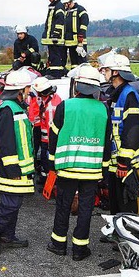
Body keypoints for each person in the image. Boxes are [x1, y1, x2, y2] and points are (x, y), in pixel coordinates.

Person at [46, 65, 111, 261]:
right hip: (92, 170)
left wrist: (51, 164)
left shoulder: (65, 106)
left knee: (64, 205)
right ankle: (80, 248)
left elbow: (53, 137)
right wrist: (105, 171)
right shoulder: (103, 109)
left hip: (67, 168)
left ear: (77, 86)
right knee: (85, 208)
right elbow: (107, 142)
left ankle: (58, 244)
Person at [0, 69, 34, 254]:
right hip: (10, 168)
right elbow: (6, 143)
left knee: (15, 202)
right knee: (11, 203)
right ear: (19, 90)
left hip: (17, 167)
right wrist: (14, 171)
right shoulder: (8, 110)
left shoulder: (16, 108)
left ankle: (7, 236)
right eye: (27, 88)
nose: (29, 92)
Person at [100, 54, 139, 214]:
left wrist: (124, 162)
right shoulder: (117, 94)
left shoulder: (128, 95)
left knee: (126, 199)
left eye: (107, 70)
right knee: (116, 198)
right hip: (118, 158)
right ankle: (118, 232)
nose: (104, 72)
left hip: (127, 159)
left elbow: (133, 129)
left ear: (116, 72)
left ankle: (129, 235)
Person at [27, 76, 62, 184]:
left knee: (46, 160)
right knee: (44, 160)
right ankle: (44, 179)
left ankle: (48, 182)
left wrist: (51, 142)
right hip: (46, 138)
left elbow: (51, 126)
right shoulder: (50, 99)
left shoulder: (50, 106)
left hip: (48, 140)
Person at [41, 0, 67, 78]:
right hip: (51, 38)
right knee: (52, 56)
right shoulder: (53, 6)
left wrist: (56, 34)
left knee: (56, 57)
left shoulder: (59, 6)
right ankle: (54, 73)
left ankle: (56, 75)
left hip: (56, 38)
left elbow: (60, 22)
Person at [62, 0, 89, 69]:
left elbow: (84, 25)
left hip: (79, 41)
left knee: (81, 62)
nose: (65, 6)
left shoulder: (80, 9)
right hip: (69, 42)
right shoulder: (66, 12)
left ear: (70, 2)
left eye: (66, 4)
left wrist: (80, 42)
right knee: (74, 63)